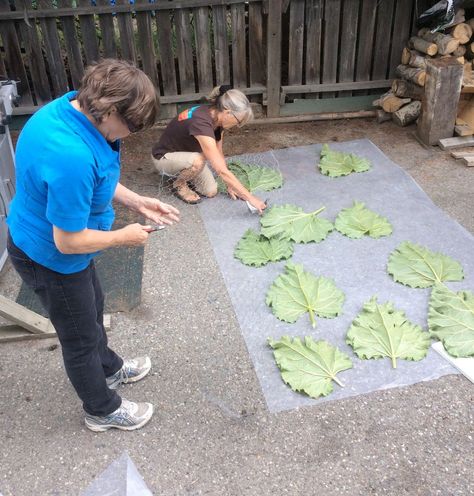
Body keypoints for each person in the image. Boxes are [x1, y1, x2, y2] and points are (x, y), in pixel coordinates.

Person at [7, 59, 180, 432]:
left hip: (61, 247)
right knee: (80, 337)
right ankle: (101, 410)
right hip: (51, 257)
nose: (130, 134)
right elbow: (67, 241)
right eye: (130, 125)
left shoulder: (68, 108)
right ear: (108, 109)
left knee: (93, 306)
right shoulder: (70, 155)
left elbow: (97, 178)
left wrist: (136, 201)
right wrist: (124, 237)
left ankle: (111, 368)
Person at [151, 86, 267, 213]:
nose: (237, 126)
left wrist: (230, 185)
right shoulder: (201, 122)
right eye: (238, 121)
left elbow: (219, 154)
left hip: (189, 156)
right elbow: (220, 170)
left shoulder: (218, 120)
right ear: (228, 112)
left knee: (210, 191)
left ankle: (185, 172)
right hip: (164, 157)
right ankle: (179, 184)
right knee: (198, 161)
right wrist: (250, 198)